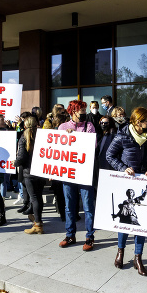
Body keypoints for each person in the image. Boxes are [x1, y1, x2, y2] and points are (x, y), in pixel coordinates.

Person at [106, 107, 147, 276]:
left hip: (143, 182)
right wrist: (123, 168)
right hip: (127, 183)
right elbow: (110, 155)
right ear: (137, 122)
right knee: (125, 221)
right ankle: (120, 252)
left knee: (141, 224)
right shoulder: (122, 136)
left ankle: (138, 257)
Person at [57, 100, 98, 250]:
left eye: (85, 111)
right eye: (81, 111)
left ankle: (89, 237)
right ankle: (70, 235)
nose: (84, 114)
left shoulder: (89, 126)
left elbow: (92, 145)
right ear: (73, 112)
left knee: (88, 207)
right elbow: (57, 149)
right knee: (69, 206)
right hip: (68, 174)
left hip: (84, 173)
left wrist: (75, 137)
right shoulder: (62, 127)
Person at [16, 116, 47, 234]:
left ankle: (38, 224)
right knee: (38, 198)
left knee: (34, 199)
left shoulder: (23, 138)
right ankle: (38, 221)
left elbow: (21, 158)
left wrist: (14, 163)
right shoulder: (43, 136)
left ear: (24, 126)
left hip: (29, 173)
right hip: (41, 172)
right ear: (37, 124)